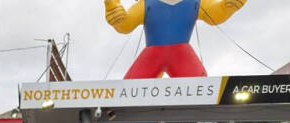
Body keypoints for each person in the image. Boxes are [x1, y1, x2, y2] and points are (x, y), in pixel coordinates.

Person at [104, 0, 247, 78]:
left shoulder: (196, 3)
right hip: (153, 55)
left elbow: (215, 14)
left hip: (181, 55)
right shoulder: (145, 4)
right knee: (128, 92)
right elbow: (125, 25)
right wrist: (113, 8)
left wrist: (228, 6)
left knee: (199, 92)